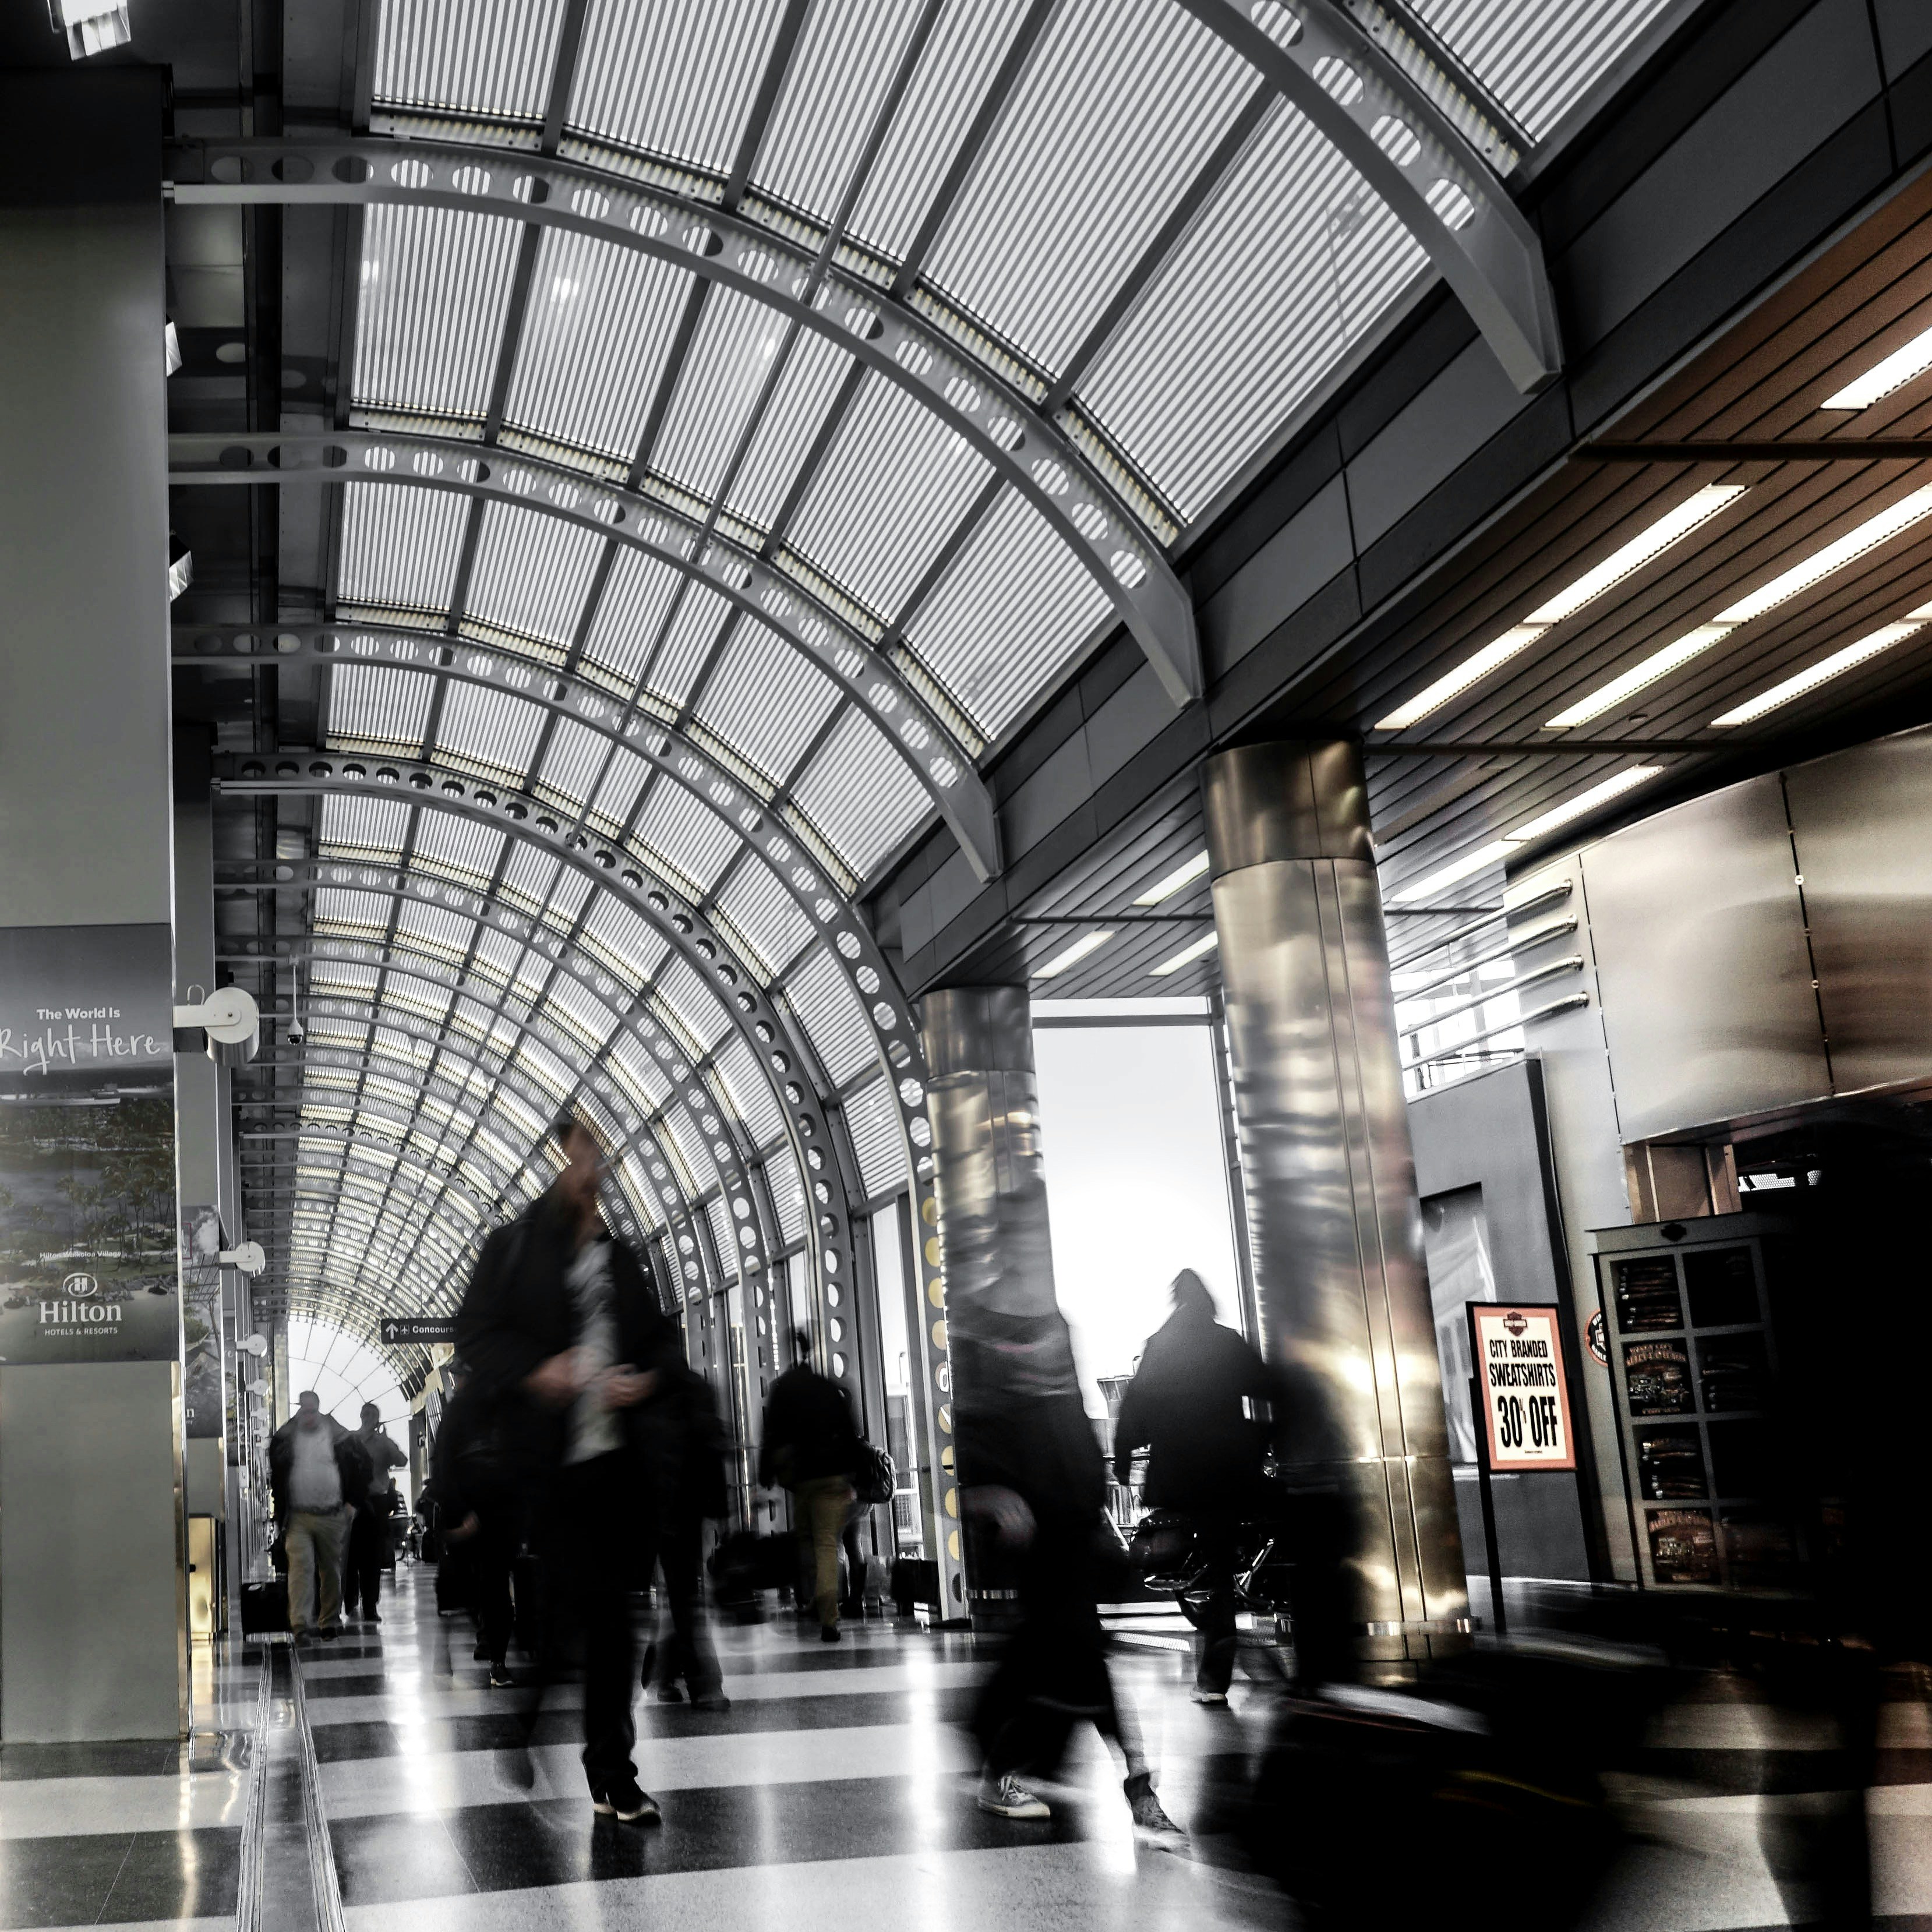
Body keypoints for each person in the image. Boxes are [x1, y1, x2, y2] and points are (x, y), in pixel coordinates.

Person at [455, 1110, 681, 1824]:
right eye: (584, 1162)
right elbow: (475, 1336)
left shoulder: (618, 1261)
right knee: (569, 1618)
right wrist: (537, 1370)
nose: (595, 1178)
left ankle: (611, 1771)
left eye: (601, 1166)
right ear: (561, 1169)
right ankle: (528, 1720)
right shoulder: (516, 1249)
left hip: (619, 1467)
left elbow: (662, 1341)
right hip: (551, 1469)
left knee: (615, 1621)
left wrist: (642, 1380)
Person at [954, 1306, 1184, 1843]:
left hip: (1069, 1552)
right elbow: (973, 1474)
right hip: (1042, 1558)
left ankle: (1134, 1788)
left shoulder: (1055, 1403)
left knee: (1071, 1667)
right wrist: (994, 1499)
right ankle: (1135, 1791)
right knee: (1065, 1668)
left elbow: (1084, 1467)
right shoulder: (1004, 1406)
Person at [1114, 1269, 1284, 1704]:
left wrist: (1124, 1457)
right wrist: (1259, 1441)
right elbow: (1268, 1390)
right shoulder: (1228, 1342)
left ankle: (1215, 1673)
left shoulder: (1160, 1345)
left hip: (1180, 1473)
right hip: (1229, 1471)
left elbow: (1136, 1404)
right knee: (1222, 1565)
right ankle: (1221, 1665)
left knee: (1210, 1570)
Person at [758, 1330, 861, 1641]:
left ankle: (809, 1600)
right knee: (828, 1543)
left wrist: (765, 1473)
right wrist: (852, 1477)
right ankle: (829, 1618)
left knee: (806, 1540)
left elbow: (772, 1433)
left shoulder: (783, 1388)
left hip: (801, 1479)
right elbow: (850, 1432)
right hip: (833, 1478)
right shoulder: (828, 1388)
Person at [640, 1359, 730, 1708]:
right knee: (684, 1596)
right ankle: (693, 1681)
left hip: (654, 1509)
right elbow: (713, 1450)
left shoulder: (636, 1388)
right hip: (685, 1510)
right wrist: (719, 1513)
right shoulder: (696, 1387)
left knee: (674, 1599)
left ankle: (684, 1680)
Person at [430, 1361, 520, 1687]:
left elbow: (443, 1468)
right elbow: (444, 1469)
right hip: (479, 1516)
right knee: (480, 1588)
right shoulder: (493, 1414)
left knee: (490, 1589)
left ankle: (496, 1656)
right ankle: (491, 1650)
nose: (457, 1383)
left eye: (459, 1377)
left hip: (491, 1518)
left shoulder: (469, 1415)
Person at [269, 1392, 375, 1644]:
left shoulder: (340, 1438)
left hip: (332, 1513)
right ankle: (300, 1625)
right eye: (303, 1411)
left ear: (319, 1410)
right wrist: (280, 1512)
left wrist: (353, 1503)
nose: (307, 1416)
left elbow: (364, 1466)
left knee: (332, 1570)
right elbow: (277, 1475)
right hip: (298, 1516)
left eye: (311, 1411)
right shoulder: (285, 1438)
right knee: (301, 1569)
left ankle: (329, 1620)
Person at [347, 1400, 408, 1624]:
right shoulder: (352, 1440)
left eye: (372, 1415)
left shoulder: (378, 1442)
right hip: (357, 1503)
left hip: (374, 1504)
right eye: (367, 1415)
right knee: (354, 1556)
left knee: (368, 1557)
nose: (369, 1419)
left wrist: (387, 1442)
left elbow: (401, 1460)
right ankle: (354, 1599)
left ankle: (368, 1603)